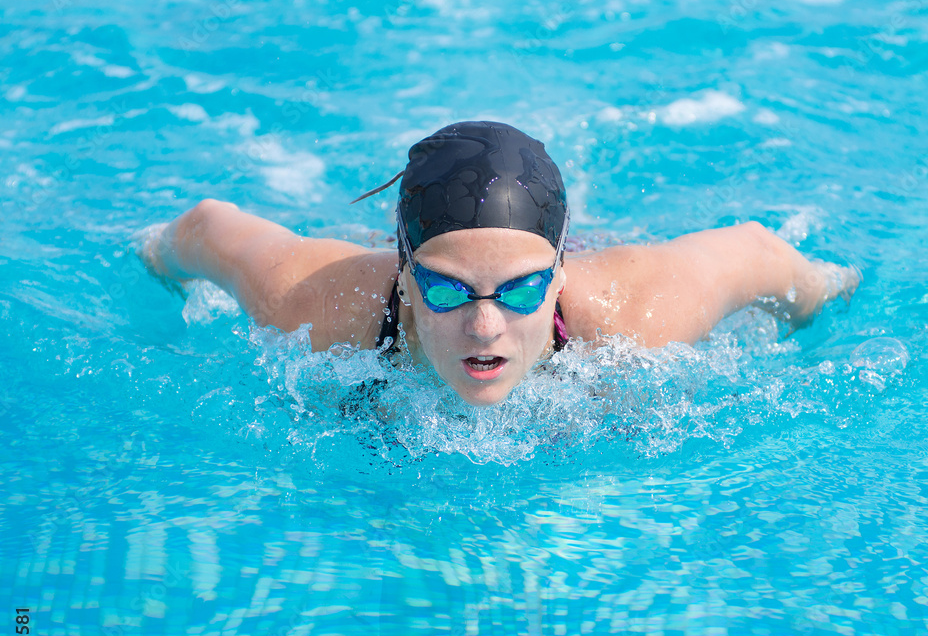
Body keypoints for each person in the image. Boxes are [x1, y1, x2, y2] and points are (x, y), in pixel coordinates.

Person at [139, 120, 859, 406]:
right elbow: (204, 229)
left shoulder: (636, 313)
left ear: (558, 278)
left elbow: (764, 255)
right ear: (405, 273)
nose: (485, 326)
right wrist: (152, 263)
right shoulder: (316, 303)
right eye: (449, 290)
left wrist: (831, 296)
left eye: (520, 292)